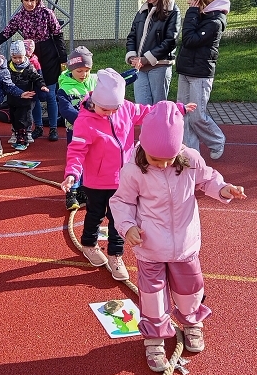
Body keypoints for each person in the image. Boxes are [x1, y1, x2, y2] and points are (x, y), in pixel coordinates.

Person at [109, 100, 246, 372]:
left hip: (185, 244)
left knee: (191, 289)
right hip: (150, 247)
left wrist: (224, 188)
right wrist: (127, 227)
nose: (163, 164)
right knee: (153, 296)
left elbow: (208, 179)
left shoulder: (190, 159)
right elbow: (122, 202)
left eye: (169, 158)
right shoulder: (134, 169)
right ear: (144, 146)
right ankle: (154, 337)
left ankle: (193, 322)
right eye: (155, 159)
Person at [61, 69, 192, 280]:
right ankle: (89, 244)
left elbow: (150, 112)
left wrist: (177, 109)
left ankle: (115, 255)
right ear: (95, 101)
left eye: (116, 108)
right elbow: (76, 151)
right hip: (96, 182)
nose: (111, 113)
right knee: (94, 215)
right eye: (106, 109)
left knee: (119, 219)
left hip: (123, 179)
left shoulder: (125, 109)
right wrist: (72, 174)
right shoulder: (84, 121)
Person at [0, 0, 67, 141]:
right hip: (31, 58)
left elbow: (58, 36)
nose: (29, 3)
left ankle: (53, 128)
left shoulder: (48, 13)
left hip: (49, 56)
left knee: (50, 94)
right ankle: (38, 126)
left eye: (32, 0)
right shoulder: (20, 17)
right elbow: (6, 33)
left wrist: (63, 59)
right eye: (26, 0)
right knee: (34, 95)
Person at [176, 0, 230, 160]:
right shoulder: (201, 15)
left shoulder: (215, 21)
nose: (188, 2)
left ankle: (217, 140)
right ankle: (191, 154)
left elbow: (189, 40)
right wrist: (194, 14)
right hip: (185, 71)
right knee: (184, 114)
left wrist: (191, 14)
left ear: (200, 0)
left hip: (200, 74)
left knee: (197, 116)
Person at [126, 0, 181, 105]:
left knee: (158, 108)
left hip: (159, 66)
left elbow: (171, 41)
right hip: (140, 66)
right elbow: (132, 35)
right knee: (142, 108)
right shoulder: (142, 11)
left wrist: (147, 58)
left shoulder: (172, 11)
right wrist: (132, 56)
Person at [57, 46, 97, 210]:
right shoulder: (64, 88)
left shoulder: (94, 81)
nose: (84, 74)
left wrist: (133, 73)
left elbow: (116, 82)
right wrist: (82, 121)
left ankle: (82, 190)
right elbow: (66, 109)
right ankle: (71, 192)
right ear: (72, 69)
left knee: (90, 160)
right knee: (76, 160)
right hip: (76, 131)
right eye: (80, 71)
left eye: (87, 70)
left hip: (94, 131)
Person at [7, 39, 48, 151]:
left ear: (24, 55)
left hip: (25, 99)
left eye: (20, 57)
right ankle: (16, 135)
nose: (18, 60)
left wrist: (42, 85)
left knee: (23, 120)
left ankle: (23, 139)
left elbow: (37, 77)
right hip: (12, 99)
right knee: (14, 119)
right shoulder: (8, 66)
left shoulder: (29, 67)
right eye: (15, 58)